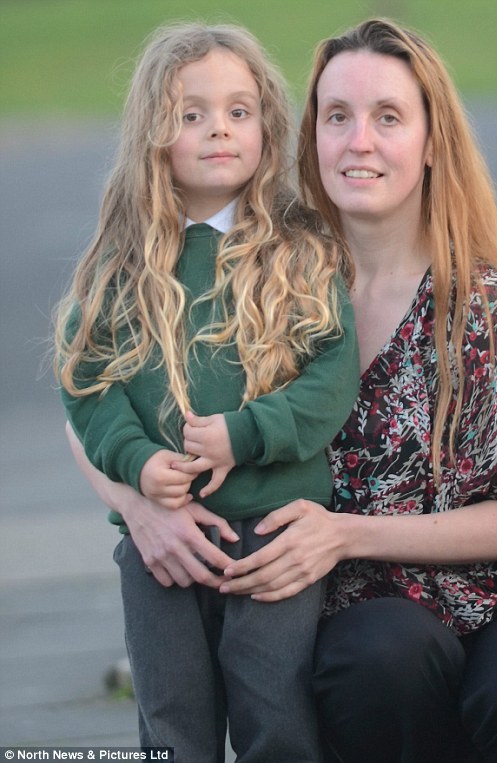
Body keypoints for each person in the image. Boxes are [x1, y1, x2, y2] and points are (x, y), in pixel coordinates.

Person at [65, 17, 497, 763]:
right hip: (363, 616)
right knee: (372, 658)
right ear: (310, 137)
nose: (359, 140)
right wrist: (141, 507)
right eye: (338, 116)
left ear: (432, 143)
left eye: (387, 117)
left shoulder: (484, 305)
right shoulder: (274, 270)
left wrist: (347, 533)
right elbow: (94, 401)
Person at [55, 21, 358, 763]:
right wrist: (134, 464)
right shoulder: (121, 263)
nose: (217, 130)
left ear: (266, 124)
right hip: (163, 540)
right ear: (154, 132)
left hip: (275, 529)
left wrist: (246, 432)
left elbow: (332, 377)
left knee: (274, 708)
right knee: (171, 718)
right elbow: (88, 385)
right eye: (191, 114)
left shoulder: (301, 250)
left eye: (237, 111)